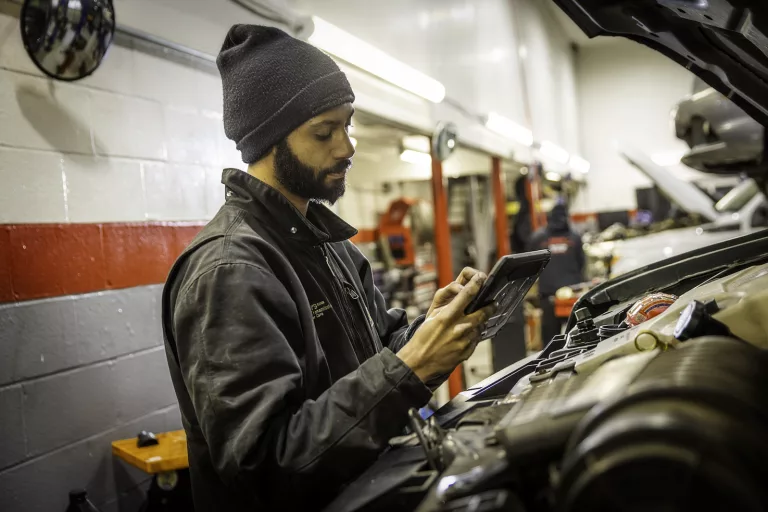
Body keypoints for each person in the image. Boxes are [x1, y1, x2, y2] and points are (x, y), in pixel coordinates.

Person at [161, 25, 494, 511]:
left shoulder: (329, 245)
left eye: (347, 124)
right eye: (324, 131)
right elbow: (265, 467)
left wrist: (431, 331)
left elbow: (374, 354)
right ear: (270, 139)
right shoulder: (230, 269)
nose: (347, 147)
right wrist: (409, 368)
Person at [527, 202, 585, 344]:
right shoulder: (575, 237)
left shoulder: (537, 238)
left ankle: (550, 365)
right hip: (573, 296)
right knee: (578, 336)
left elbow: (531, 265)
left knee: (551, 341)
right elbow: (581, 263)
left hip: (548, 296)